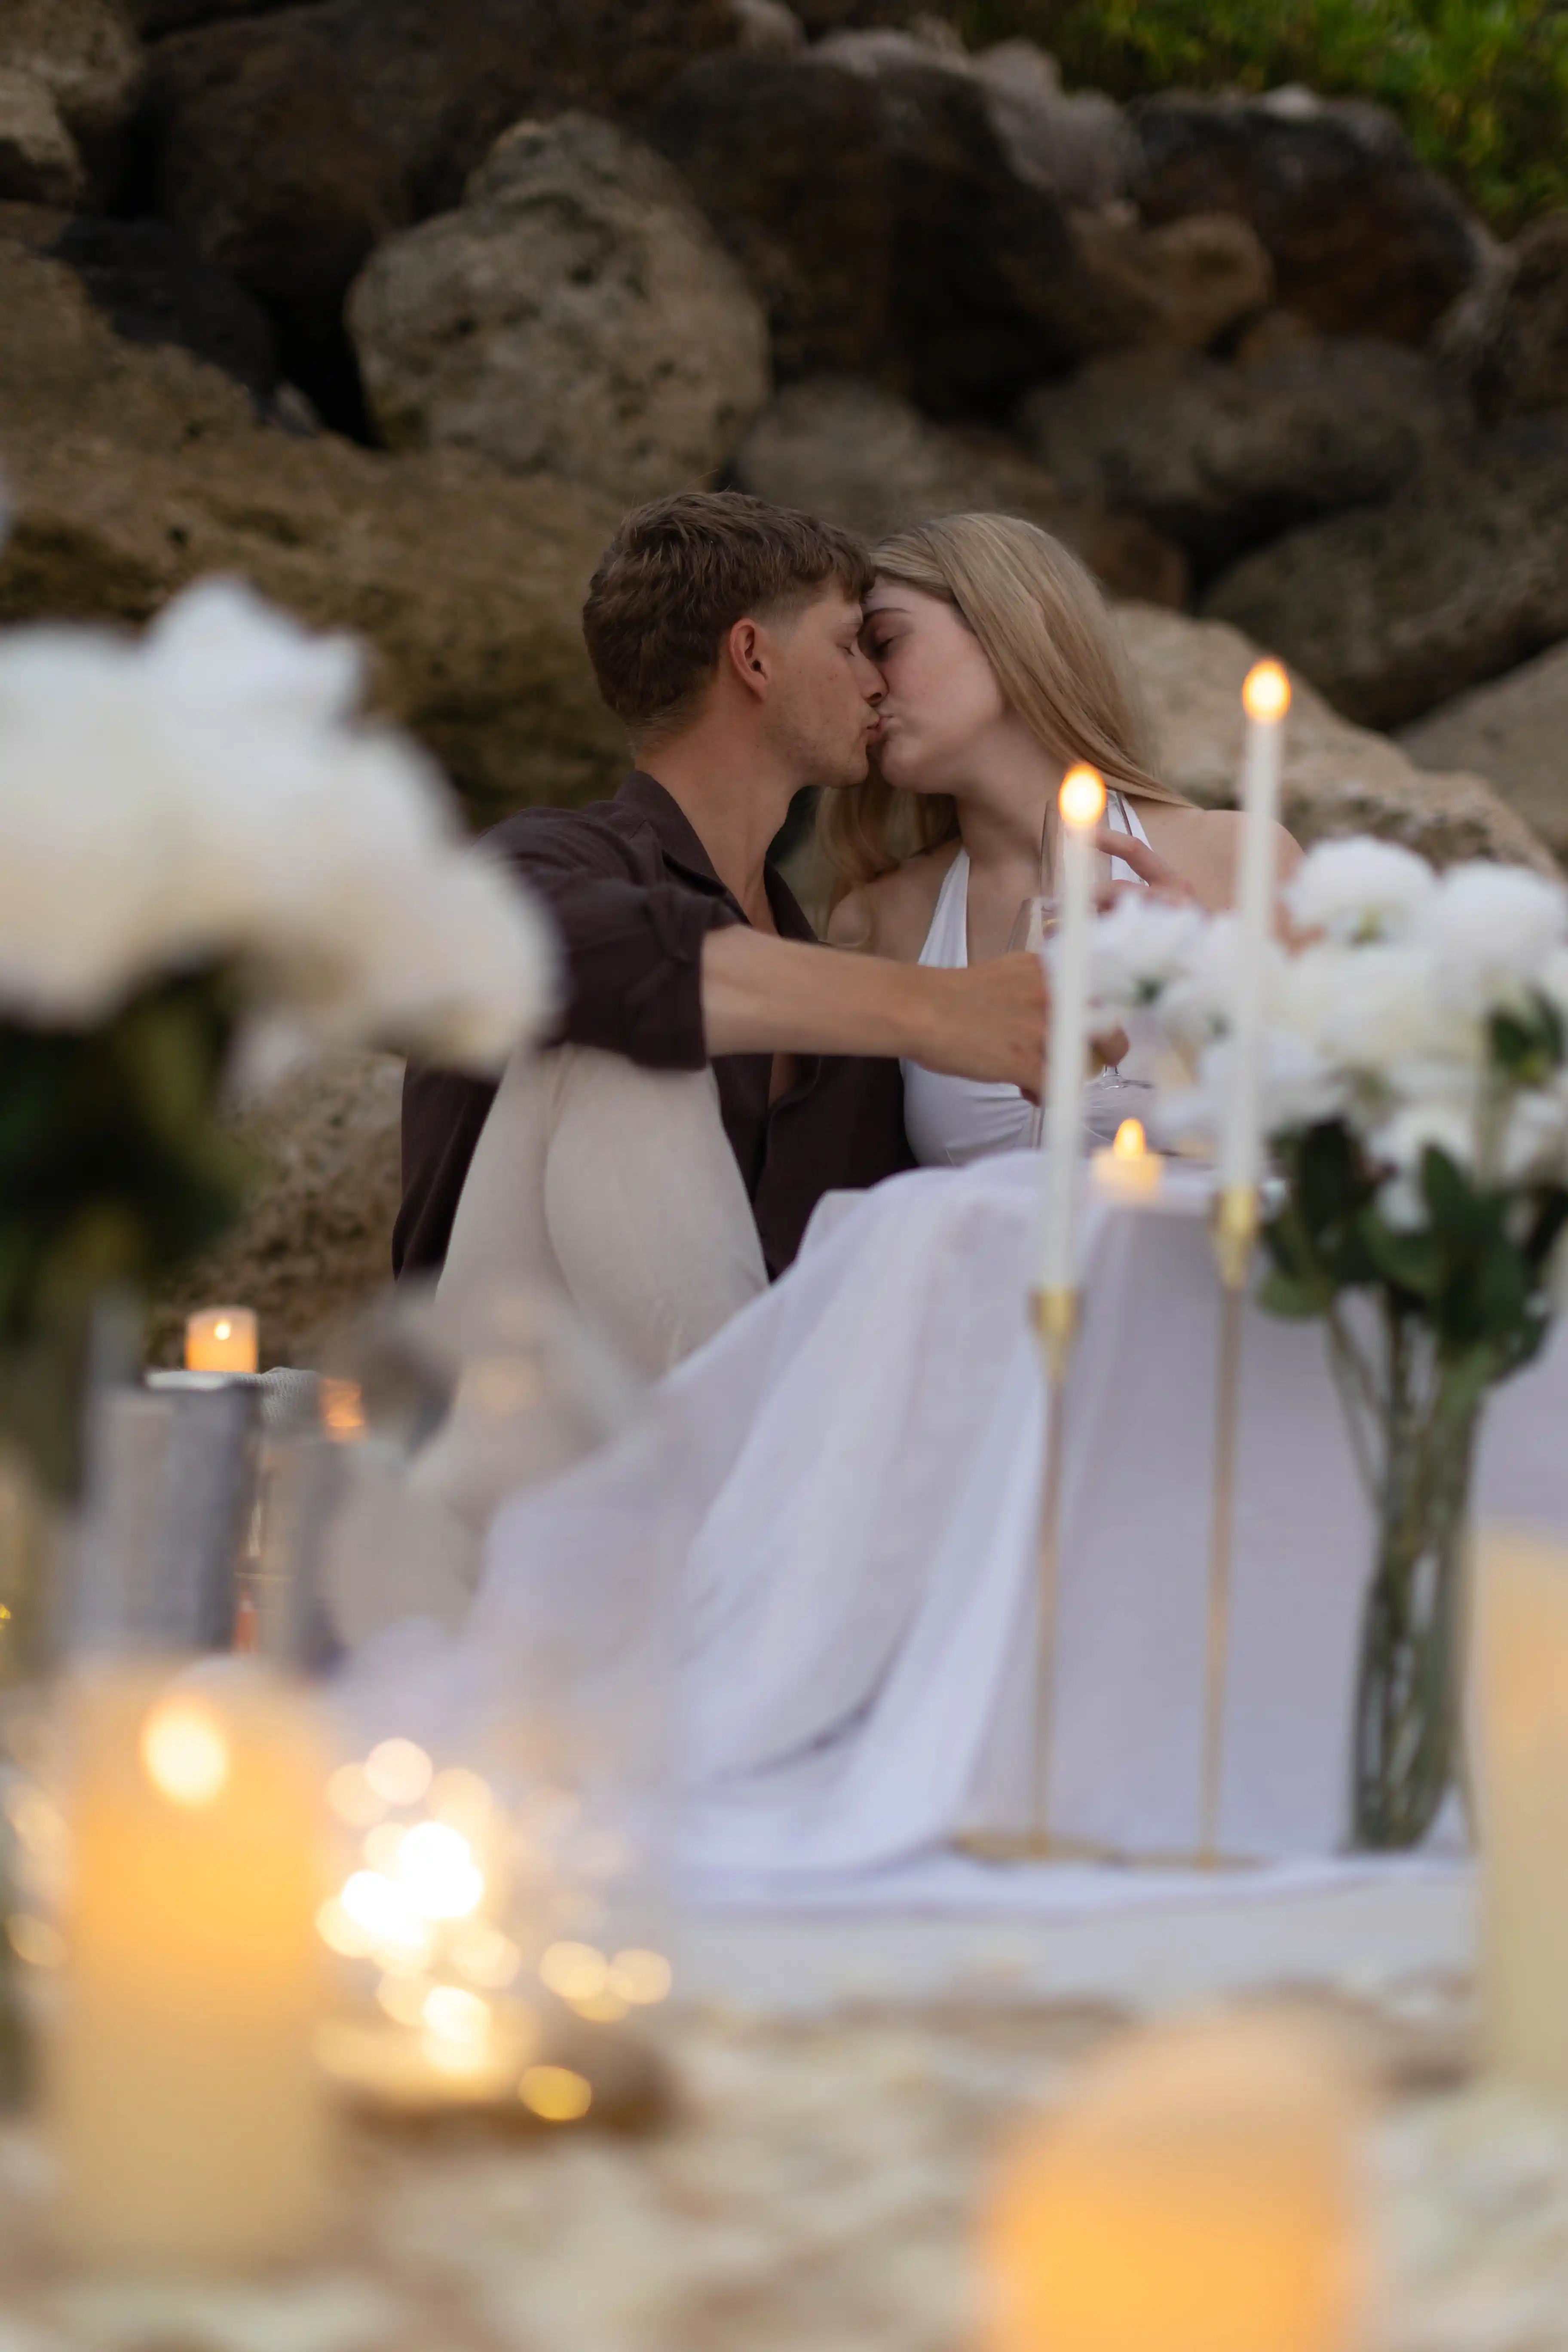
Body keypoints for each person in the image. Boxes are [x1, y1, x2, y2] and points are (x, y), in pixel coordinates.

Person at [394, 492, 1049, 1378]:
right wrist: (939, 1009)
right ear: (753, 657)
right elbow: (519, 950)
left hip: (725, 1462)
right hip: (504, 1429)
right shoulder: (551, 861)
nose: (874, 682)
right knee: (616, 1030)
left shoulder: (833, 1000)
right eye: (850, 644)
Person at [819, 512, 1299, 1167]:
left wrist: (1203, 985)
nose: (865, 685)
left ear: (1019, 623)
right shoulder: (880, 923)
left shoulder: (1238, 861)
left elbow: (1341, 1146)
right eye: (849, 657)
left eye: (886, 642)